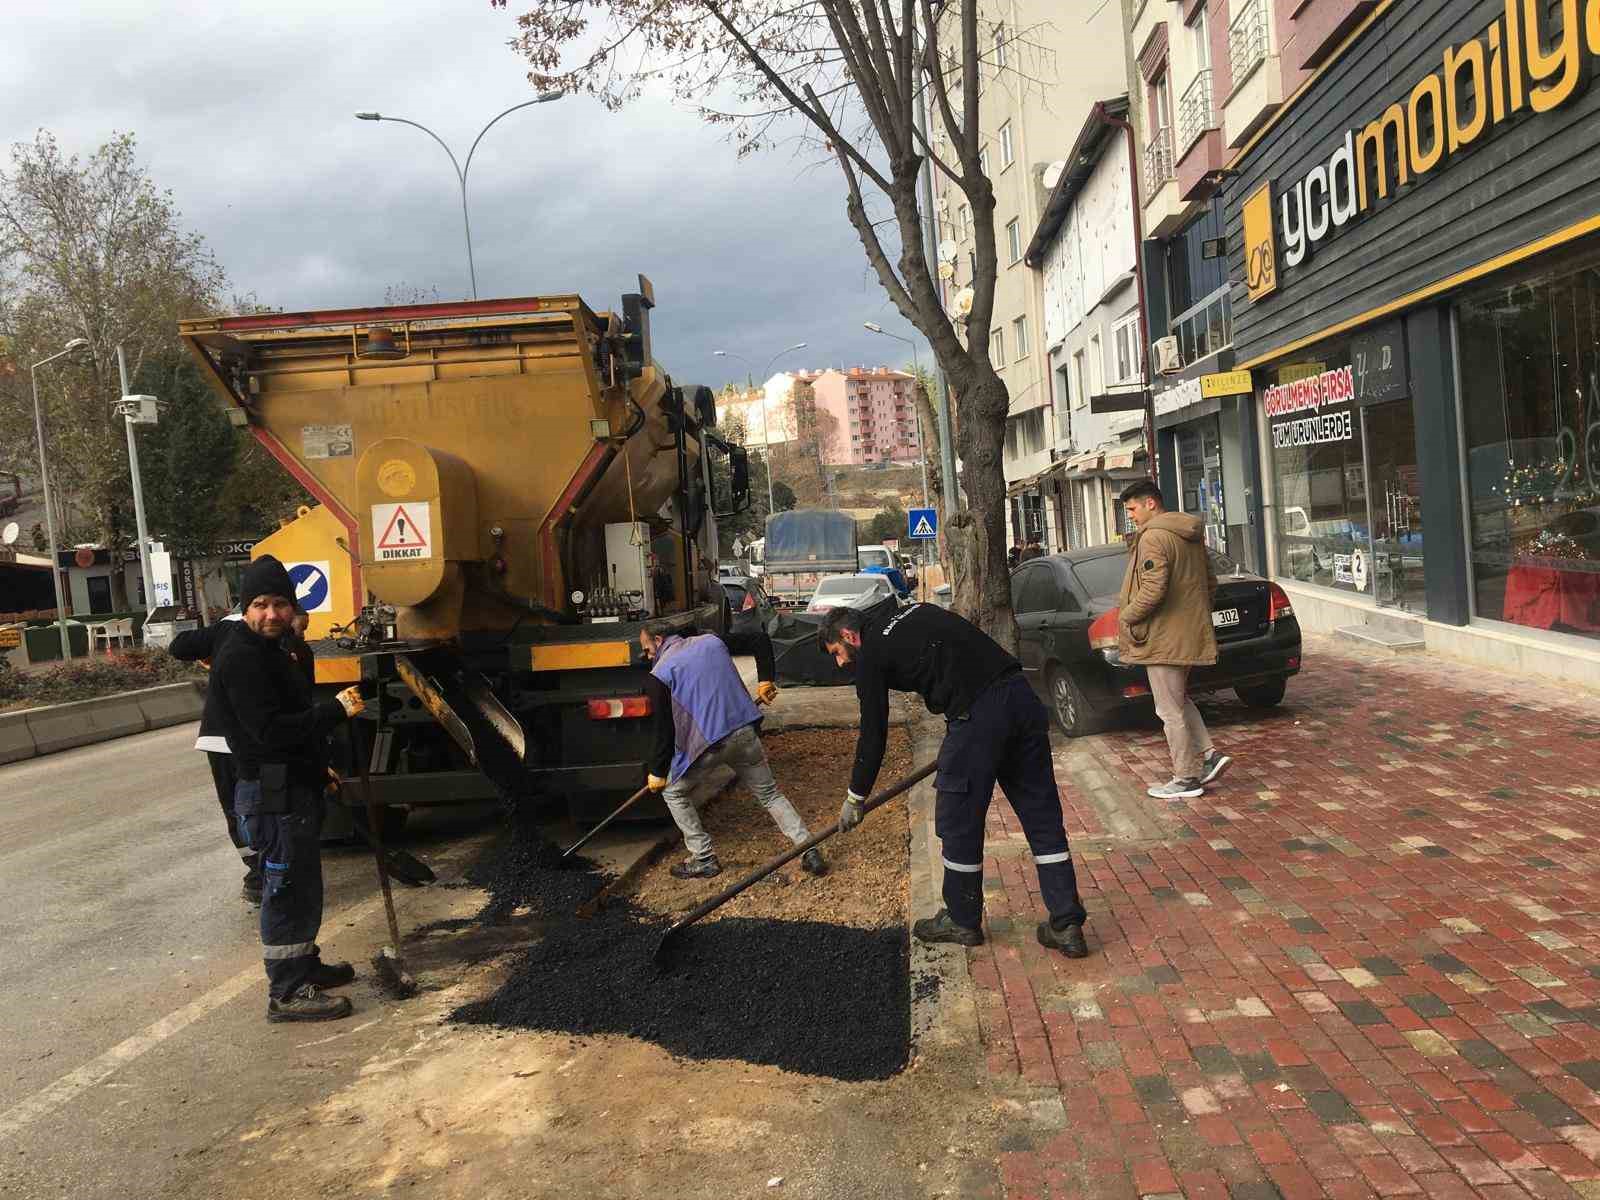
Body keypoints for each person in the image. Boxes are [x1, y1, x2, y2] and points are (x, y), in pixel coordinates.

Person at [819, 602, 1089, 958]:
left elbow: (873, 735)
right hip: (1021, 699)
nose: (842, 663)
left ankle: (962, 920)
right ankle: (1067, 924)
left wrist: (856, 796)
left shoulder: (870, 654)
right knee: (1042, 816)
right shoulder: (914, 610)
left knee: (957, 820)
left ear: (849, 636)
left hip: (976, 715)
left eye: (838, 653)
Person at [212, 556, 365, 1023]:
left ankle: (305, 965)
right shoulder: (241, 657)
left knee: (303, 885)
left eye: (280, 603)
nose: (271, 614)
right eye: (260, 604)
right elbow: (271, 733)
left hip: (293, 786)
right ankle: (287, 992)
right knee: (285, 888)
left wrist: (320, 771)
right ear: (245, 609)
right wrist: (333, 712)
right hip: (269, 794)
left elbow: (294, 735)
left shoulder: (276, 651)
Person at [640, 625, 826, 881]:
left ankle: (703, 858)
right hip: (744, 733)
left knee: (673, 792)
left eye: (647, 650)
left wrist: (657, 770)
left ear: (659, 640)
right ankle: (809, 849)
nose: (648, 656)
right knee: (770, 794)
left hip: (709, 746)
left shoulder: (660, 673)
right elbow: (759, 639)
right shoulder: (711, 642)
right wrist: (765, 679)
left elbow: (664, 728)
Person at [1116, 479, 1233, 800]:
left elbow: (1153, 588)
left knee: (1168, 711)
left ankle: (1185, 778)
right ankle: (1209, 755)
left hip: (1164, 637)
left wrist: (1126, 616)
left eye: (1133, 509)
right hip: (1186, 633)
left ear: (1151, 503)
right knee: (1179, 701)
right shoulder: (1188, 534)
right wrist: (1192, 616)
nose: (1131, 516)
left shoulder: (1154, 537)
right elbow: (1210, 582)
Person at [170, 608, 255, 902]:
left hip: (219, 736)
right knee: (259, 805)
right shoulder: (268, 630)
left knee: (235, 808)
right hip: (250, 737)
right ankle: (268, 869)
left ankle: (257, 872)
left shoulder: (227, 627)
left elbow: (179, 646)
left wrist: (210, 654)